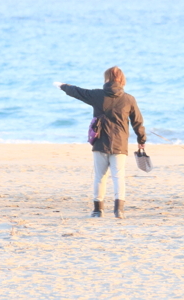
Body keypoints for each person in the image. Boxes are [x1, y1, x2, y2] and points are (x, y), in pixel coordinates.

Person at [53, 66, 146, 219]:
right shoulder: (129, 99)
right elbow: (137, 122)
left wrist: (62, 86)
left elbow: (78, 92)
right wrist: (141, 140)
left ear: (106, 79)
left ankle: (98, 210)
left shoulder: (97, 95)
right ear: (122, 79)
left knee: (99, 176)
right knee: (118, 176)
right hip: (120, 143)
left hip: (100, 141)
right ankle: (119, 211)